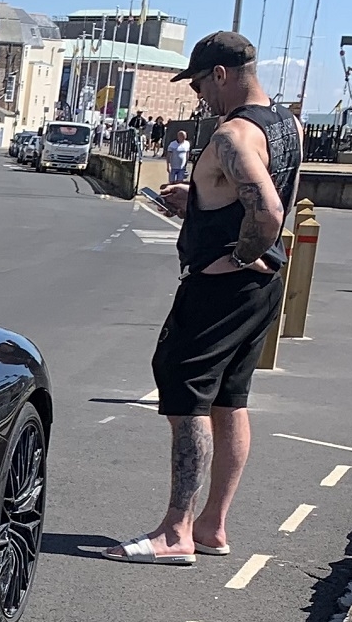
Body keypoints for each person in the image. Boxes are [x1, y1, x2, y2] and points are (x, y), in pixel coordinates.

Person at [112, 31, 299, 564]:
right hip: (263, 288)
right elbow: (265, 196)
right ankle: (214, 526)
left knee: (184, 392)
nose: (199, 96)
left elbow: (267, 211)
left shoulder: (232, 135)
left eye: (199, 83)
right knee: (230, 399)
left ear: (221, 73)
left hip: (222, 283)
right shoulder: (288, 125)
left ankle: (176, 533)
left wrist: (235, 257)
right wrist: (196, 201)